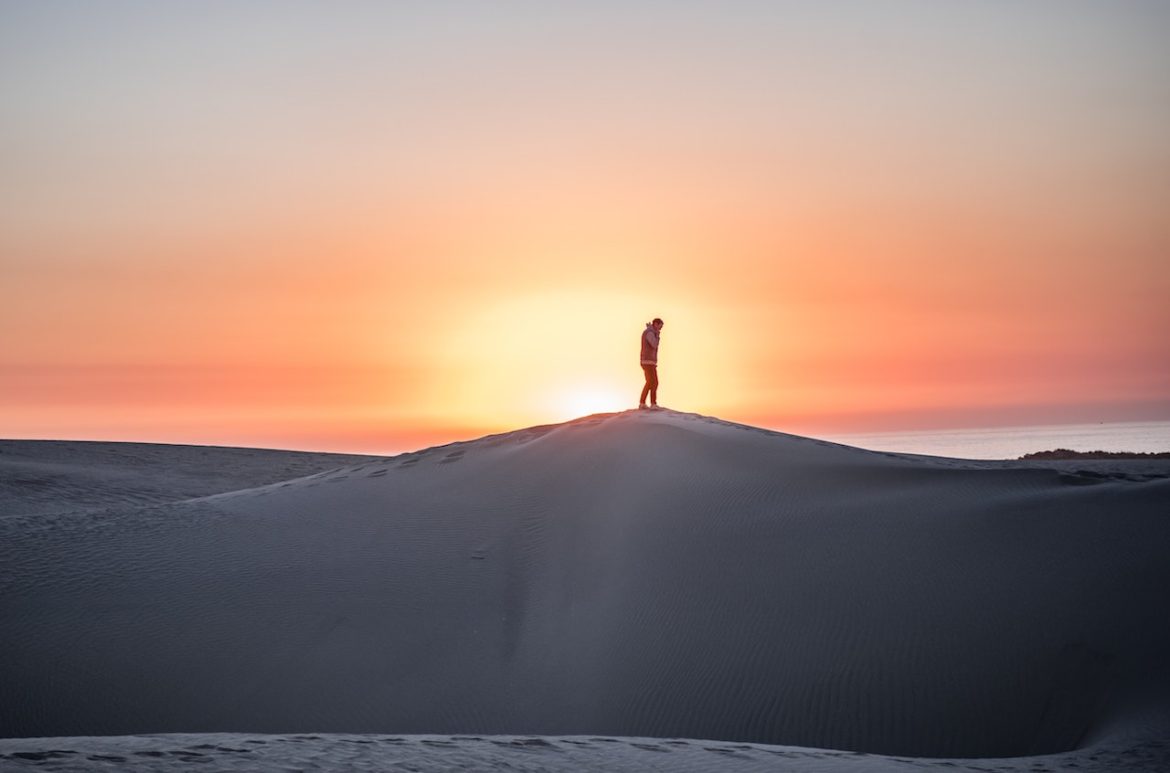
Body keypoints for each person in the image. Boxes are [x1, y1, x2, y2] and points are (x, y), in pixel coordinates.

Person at [639, 317, 664, 409]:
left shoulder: (650, 332)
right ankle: (652, 403)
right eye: (660, 326)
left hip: (649, 362)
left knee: (650, 382)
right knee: (653, 382)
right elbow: (654, 344)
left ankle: (643, 403)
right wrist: (657, 335)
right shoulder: (650, 333)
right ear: (656, 324)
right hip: (647, 361)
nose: (661, 328)